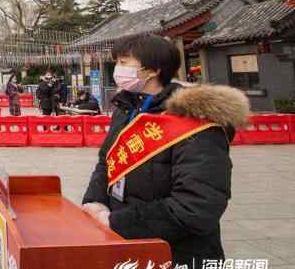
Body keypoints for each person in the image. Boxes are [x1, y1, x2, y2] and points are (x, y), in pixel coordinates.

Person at [81, 35, 247, 267]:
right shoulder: (126, 109)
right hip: (126, 247)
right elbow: (106, 162)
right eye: (117, 61)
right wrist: (94, 203)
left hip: (179, 254)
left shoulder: (195, 121)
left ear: (152, 70)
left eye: (125, 62)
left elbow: (196, 206)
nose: (118, 68)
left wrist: (117, 222)